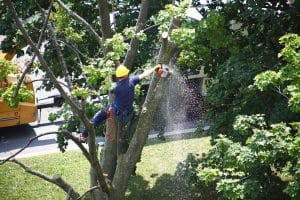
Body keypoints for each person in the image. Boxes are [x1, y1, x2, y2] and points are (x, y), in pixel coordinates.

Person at [73, 64, 161, 143]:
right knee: (112, 107)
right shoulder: (132, 81)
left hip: (118, 115)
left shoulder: (116, 87)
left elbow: (109, 86)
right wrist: (154, 67)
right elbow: (145, 74)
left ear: (118, 76)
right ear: (126, 74)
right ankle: (84, 135)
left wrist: (108, 75)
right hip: (129, 114)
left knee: (99, 116)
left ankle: (83, 135)